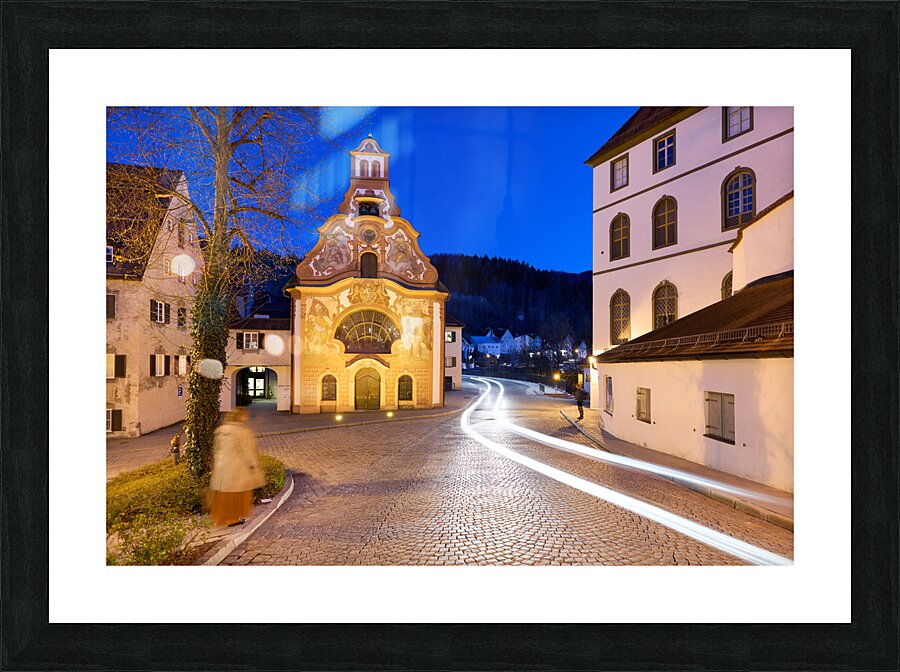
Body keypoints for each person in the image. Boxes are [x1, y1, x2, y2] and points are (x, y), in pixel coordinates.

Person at [207, 408, 265, 527]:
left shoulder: (220, 430)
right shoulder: (242, 432)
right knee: (236, 495)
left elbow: (216, 449)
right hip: (236, 468)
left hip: (221, 467)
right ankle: (233, 519)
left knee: (223, 495)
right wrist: (253, 465)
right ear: (240, 417)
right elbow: (246, 451)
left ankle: (223, 518)